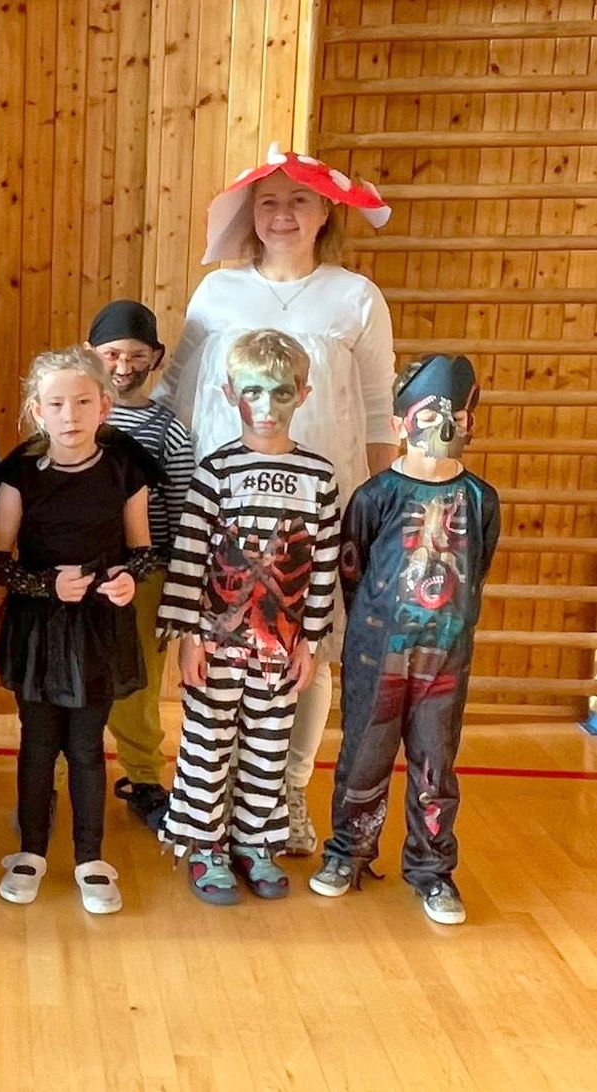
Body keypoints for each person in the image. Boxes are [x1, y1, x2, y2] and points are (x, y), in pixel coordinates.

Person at [156, 143, 397, 855]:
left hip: (317, 506)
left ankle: (286, 789)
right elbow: (175, 390)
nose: (283, 215)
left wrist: (378, 511)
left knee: (304, 646)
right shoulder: (218, 293)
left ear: (325, 212)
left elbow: (378, 410)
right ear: (249, 213)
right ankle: (216, 793)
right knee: (222, 645)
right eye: (269, 202)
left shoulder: (355, 297)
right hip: (225, 505)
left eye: (299, 201)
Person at [310, 354, 499, 926]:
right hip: (379, 654)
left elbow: (476, 569)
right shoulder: (375, 496)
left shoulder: (480, 499)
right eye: (429, 416)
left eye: (456, 419)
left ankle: (432, 870)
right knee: (364, 757)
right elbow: (353, 570)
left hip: (446, 658)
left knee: (435, 763)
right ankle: (348, 852)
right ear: (399, 425)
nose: (444, 428)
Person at [157, 330, 341, 905]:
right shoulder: (216, 472)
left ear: (303, 394)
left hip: (279, 648)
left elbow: (324, 567)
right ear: (230, 394)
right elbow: (190, 556)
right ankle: (204, 844)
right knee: (206, 744)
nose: (266, 406)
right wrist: (188, 636)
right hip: (217, 642)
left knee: (268, 746)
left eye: (281, 393)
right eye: (253, 392)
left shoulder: (320, 477)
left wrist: (310, 642)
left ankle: (255, 842)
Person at [0, 348, 155, 916]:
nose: (70, 415)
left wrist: (127, 580)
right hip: (38, 627)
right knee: (37, 745)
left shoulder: (125, 470)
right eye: (56, 404)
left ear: (104, 406)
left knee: (86, 747)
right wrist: (45, 585)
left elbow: (141, 551)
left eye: (83, 402)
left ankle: (90, 857)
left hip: (98, 630)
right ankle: (31, 850)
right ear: (38, 411)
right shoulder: (18, 474)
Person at [85, 300, 193, 829]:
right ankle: (57, 775)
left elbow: (181, 507)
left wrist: (171, 580)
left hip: (145, 573)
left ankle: (145, 777)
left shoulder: (168, 429)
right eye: (111, 354)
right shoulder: (72, 411)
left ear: (157, 357)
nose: (123, 366)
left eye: (135, 355)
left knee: (139, 682)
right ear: (90, 354)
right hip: (77, 573)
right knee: (69, 679)